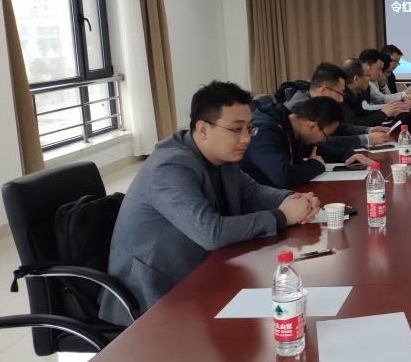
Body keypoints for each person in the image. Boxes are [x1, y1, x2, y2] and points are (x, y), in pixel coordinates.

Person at [99, 82, 319, 325]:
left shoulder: (221, 155)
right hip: (152, 296)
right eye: (236, 129)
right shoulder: (170, 166)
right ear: (203, 129)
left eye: (249, 129)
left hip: (202, 273)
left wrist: (292, 199)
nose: (246, 139)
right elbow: (211, 232)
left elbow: (252, 192)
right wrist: (282, 216)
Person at [242, 96, 374, 189]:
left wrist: (349, 155)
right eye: (326, 135)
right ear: (312, 126)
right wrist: (316, 165)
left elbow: (317, 149)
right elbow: (283, 177)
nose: (324, 140)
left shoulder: (291, 123)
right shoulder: (265, 132)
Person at [287, 62, 391, 149]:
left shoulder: (318, 105)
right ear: (324, 90)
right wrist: (366, 139)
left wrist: (368, 130)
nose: (341, 99)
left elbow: (339, 127)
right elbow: (321, 141)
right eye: (340, 93)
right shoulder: (298, 109)